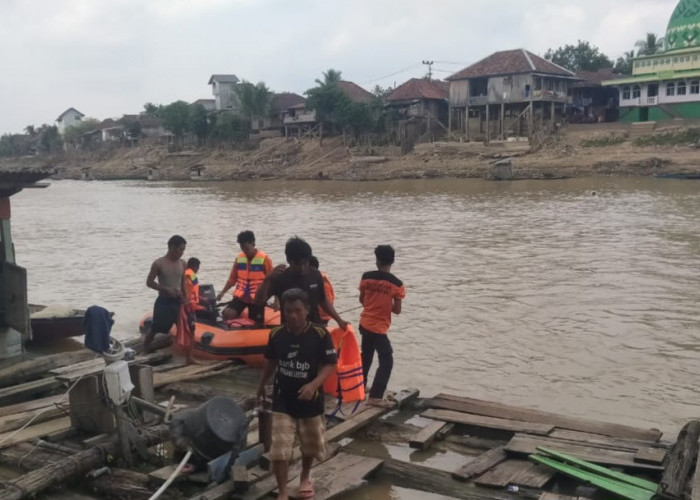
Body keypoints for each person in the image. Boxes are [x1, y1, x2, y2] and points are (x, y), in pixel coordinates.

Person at [257, 288, 337, 500]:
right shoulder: (276, 334)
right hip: (283, 398)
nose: (293, 315)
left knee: (309, 444)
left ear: (307, 311)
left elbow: (330, 364)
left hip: (310, 400)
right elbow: (270, 361)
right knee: (280, 448)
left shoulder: (320, 335)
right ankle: (282, 491)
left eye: (298, 311)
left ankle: (304, 476)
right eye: (289, 310)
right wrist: (261, 385)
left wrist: (314, 384)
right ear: (283, 311)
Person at [256, 237, 347, 329]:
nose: (302, 268)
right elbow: (259, 301)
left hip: (314, 328)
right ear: (288, 260)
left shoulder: (315, 274)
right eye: (298, 264)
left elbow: (323, 300)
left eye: (305, 263)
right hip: (289, 330)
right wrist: (267, 280)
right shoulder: (279, 278)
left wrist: (339, 320)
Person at [359, 245, 406, 408]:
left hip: (364, 324)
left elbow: (362, 301)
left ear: (377, 260)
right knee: (387, 360)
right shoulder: (397, 284)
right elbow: (397, 310)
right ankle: (375, 396)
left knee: (366, 357)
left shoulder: (366, 277)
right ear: (392, 261)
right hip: (378, 328)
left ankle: (359, 388)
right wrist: (387, 305)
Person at [216, 230, 273, 323]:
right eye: (242, 248)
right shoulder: (239, 259)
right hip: (241, 297)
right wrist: (222, 293)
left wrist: (276, 301)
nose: (244, 251)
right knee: (227, 314)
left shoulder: (265, 259)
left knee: (257, 323)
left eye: (246, 248)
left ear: (253, 244)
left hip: (257, 299)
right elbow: (232, 279)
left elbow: (273, 280)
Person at [145, 235, 187, 352]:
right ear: (172, 247)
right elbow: (149, 282)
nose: (182, 253)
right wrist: (165, 289)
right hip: (164, 302)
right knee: (156, 328)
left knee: (183, 327)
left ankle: (183, 352)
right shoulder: (159, 263)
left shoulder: (183, 263)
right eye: (180, 250)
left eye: (183, 250)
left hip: (178, 301)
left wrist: (186, 298)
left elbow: (184, 283)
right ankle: (145, 348)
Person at [309, 256, 335, 326]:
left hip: (321, 317)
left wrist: (322, 317)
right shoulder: (314, 279)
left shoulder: (322, 282)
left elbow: (326, 299)